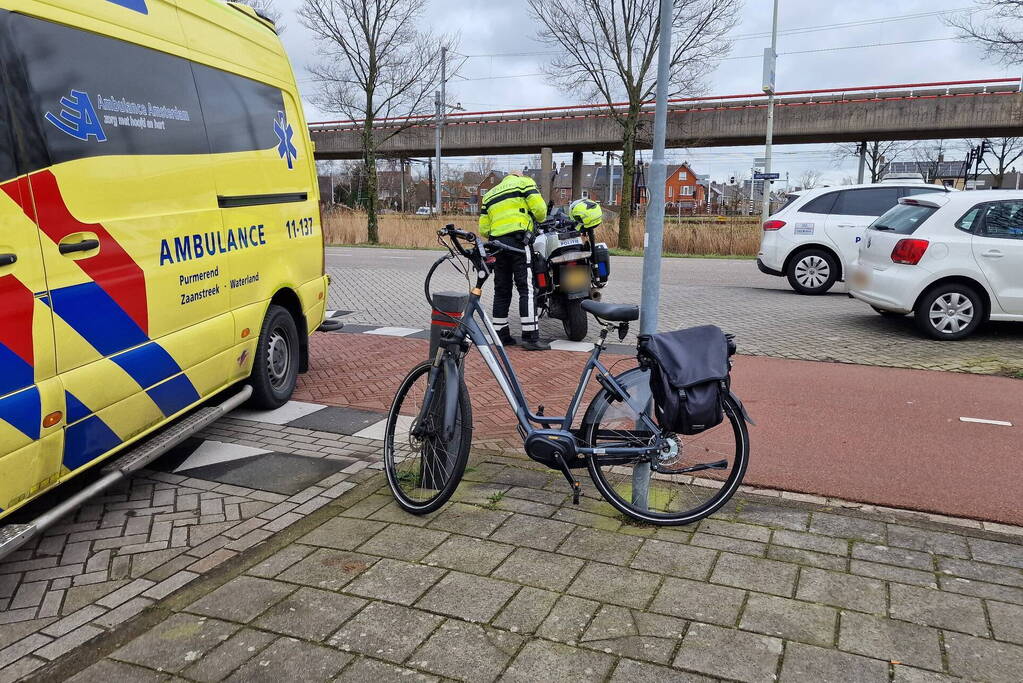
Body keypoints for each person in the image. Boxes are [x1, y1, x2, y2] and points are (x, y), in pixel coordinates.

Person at [479, 172, 550, 351]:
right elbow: (541, 211)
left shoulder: (489, 194)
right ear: (519, 176)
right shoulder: (524, 183)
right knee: (526, 289)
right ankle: (530, 338)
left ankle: (501, 336)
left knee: (501, 290)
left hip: (496, 245)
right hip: (519, 242)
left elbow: (483, 229)